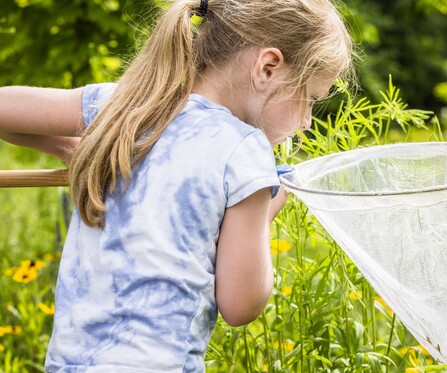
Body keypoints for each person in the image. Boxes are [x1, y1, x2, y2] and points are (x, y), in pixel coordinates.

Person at [0, 0, 353, 371]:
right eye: (310, 99)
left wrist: (82, 151)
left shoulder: (126, 107)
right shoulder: (245, 150)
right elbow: (240, 304)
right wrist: (263, 212)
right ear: (267, 67)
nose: (307, 122)